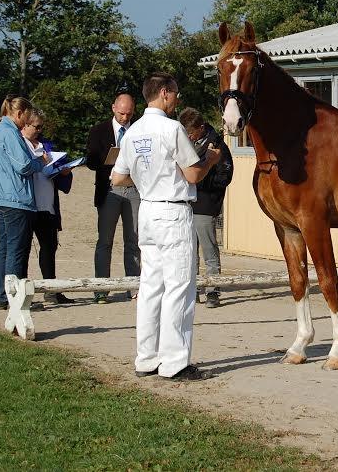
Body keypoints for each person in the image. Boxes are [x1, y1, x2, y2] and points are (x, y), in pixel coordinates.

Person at [111, 73, 220, 381]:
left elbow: (118, 177)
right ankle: (175, 362)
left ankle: (146, 358)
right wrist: (210, 159)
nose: (177, 99)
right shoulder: (171, 128)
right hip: (172, 210)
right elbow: (193, 174)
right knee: (179, 287)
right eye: (175, 93)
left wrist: (148, 178)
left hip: (147, 209)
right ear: (164, 93)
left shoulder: (133, 131)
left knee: (150, 287)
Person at [0, 95, 50, 309]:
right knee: (16, 250)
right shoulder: (10, 133)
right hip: (15, 199)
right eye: (26, 117)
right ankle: (16, 299)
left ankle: (2, 296)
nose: (27, 122)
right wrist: (41, 161)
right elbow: (23, 166)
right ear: (19, 113)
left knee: (4, 248)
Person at [86, 89, 140, 303]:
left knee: (134, 240)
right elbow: (90, 161)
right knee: (105, 240)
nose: (125, 117)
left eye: (129, 114)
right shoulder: (98, 130)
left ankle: (133, 287)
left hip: (134, 188)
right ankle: (101, 289)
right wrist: (108, 158)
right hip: (109, 189)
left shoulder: (139, 129)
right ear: (113, 108)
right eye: (121, 113)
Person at [177, 107, 233, 308]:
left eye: (191, 133)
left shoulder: (217, 145)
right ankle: (192, 289)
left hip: (206, 204)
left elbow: (225, 176)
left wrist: (202, 183)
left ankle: (213, 291)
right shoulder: (185, 143)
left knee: (209, 251)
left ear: (201, 128)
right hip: (187, 204)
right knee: (189, 252)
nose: (189, 137)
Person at [20, 108, 75, 305]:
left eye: (41, 127)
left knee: (49, 248)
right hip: (26, 206)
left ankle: (51, 290)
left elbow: (61, 177)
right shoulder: (19, 145)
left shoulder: (47, 146)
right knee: (22, 250)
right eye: (36, 127)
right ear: (25, 124)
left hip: (48, 206)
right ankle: (21, 293)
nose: (39, 131)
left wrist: (65, 172)